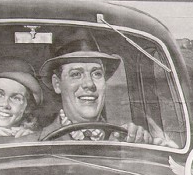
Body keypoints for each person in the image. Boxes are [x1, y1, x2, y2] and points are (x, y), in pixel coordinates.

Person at [38, 31, 178, 147]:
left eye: (97, 74)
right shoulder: (35, 143)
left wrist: (144, 147)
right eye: (76, 74)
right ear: (57, 84)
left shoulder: (123, 139)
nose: (89, 84)